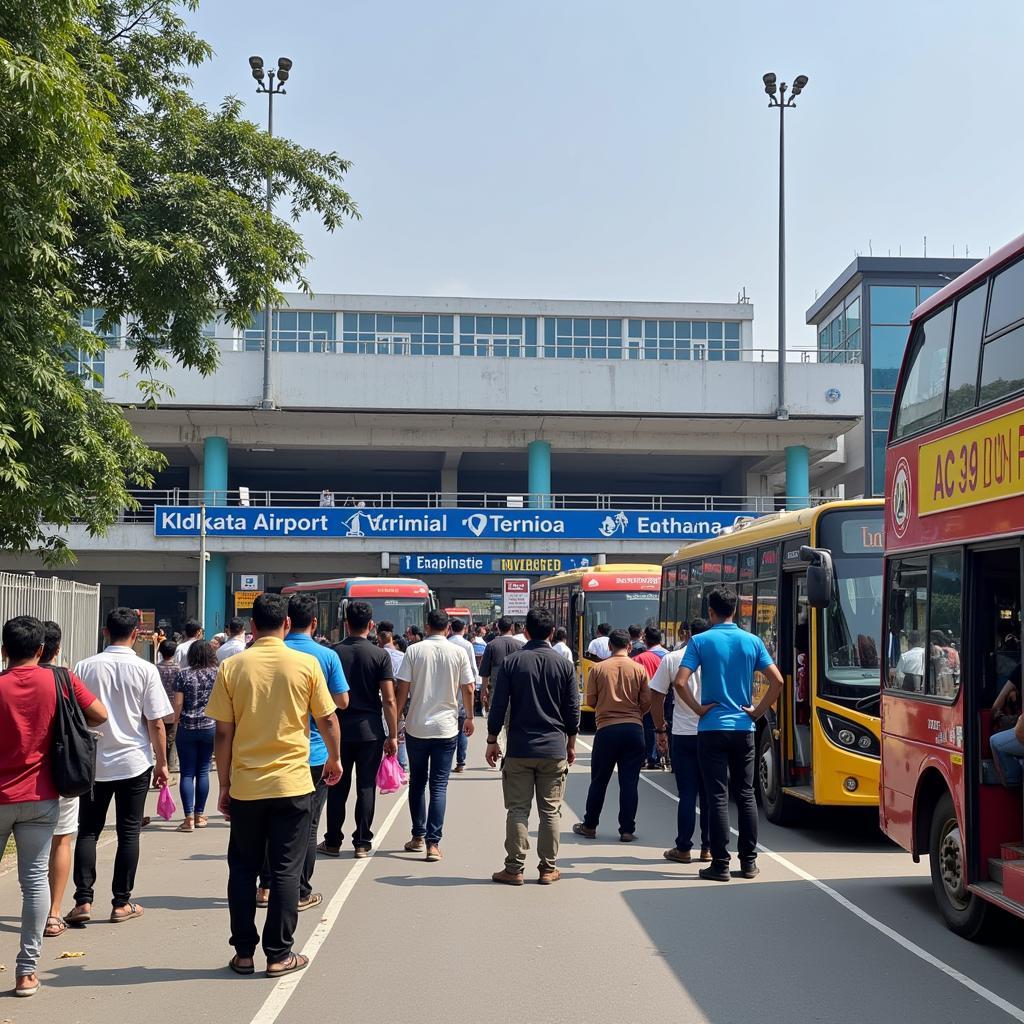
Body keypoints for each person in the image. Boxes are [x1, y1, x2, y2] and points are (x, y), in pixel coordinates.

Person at [207, 593, 341, 979]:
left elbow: (223, 733)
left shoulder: (233, 666)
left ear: (252, 627)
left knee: (243, 869)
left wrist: (225, 783)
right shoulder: (306, 664)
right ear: (286, 625)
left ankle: (244, 952)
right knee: (285, 869)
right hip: (294, 783)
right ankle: (279, 954)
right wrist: (334, 758)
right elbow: (328, 720)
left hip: (248, 786)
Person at [1, 617, 105, 989]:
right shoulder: (60, 680)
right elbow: (100, 715)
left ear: (3, 650)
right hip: (42, 796)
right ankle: (27, 972)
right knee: (33, 882)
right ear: (42, 650)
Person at [68, 607, 173, 925]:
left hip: (93, 763)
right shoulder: (145, 670)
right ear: (137, 632)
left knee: (88, 831)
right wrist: (163, 764)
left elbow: (75, 714)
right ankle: (121, 903)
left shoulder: (84, 668)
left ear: (105, 632)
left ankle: (83, 900)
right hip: (133, 762)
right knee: (129, 833)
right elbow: (156, 723)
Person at [675, 588, 783, 881]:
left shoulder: (700, 640)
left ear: (710, 612)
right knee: (746, 794)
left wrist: (699, 709)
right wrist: (757, 711)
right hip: (744, 728)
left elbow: (680, 682)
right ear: (735, 611)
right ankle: (748, 862)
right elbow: (777, 681)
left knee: (717, 796)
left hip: (711, 728)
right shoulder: (752, 641)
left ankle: (720, 864)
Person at [487, 606, 579, 885]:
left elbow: (498, 705)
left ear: (525, 632)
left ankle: (514, 869)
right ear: (552, 632)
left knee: (517, 810)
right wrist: (571, 742)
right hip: (553, 748)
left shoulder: (512, 663)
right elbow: (573, 708)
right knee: (550, 811)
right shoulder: (564, 665)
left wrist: (492, 740)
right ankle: (548, 868)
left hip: (519, 748)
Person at [282, 594, 349, 907]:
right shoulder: (326, 656)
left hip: (274, 752)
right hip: (315, 753)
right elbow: (341, 703)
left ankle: (267, 886)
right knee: (308, 825)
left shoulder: (265, 654)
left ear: (287, 621)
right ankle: (301, 891)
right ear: (315, 622)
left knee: (274, 824)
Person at [395, 609, 475, 862]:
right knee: (439, 785)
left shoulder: (414, 650)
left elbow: (402, 690)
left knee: (417, 782)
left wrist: (396, 719)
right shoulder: (459, 652)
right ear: (448, 628)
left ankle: (418, 836)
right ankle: (433, 843)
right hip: (446, 728)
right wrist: (470, 717)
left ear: (426, 627)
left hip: (417, 726)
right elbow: (469, 688)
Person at [321, 601, 397, 858]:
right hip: (370, 731)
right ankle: (362, 842)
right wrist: (394, 735)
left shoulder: (334, 652)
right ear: (371, 625)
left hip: (338, 731)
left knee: (336, 786)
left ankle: (332, 840)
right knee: (366, 786)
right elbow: (388, 699)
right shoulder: (380, 655)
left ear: (345, 624)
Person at [573, 628, 650, 843]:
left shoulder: (598, 669)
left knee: (599, 780)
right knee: (629, 782)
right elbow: (646, 702)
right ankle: (627, 829)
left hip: (606, 729)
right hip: (634, 729)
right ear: (629, 646)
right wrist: (635, 714)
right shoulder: (639, 669)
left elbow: (591, 702)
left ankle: (590, 825)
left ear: (609, 646)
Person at [650, 617, 712, 863]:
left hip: (683, 734)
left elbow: (656, 697)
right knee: (709, 795)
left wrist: (659, 730)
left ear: (686, 633)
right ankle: (707, 848)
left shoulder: (673, 658)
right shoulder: (715, 660)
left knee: (686, 792)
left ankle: (684, 847)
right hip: (711, 732)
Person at [171, 641, 220, 833]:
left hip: (187, 727)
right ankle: (200, 815)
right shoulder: (216, 674)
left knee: (187, 772)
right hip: (210, 726)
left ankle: (188, 818)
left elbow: (178, 703)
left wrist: (176, 720)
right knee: (203, 771)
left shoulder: (183, 674)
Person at [633, 626, 670, 770]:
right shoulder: (669, 655)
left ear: (645, 640)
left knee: (649, 728)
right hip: (668, 698)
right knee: (665, 727)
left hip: (648, 699)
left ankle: (651, 757)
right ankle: (666, 757)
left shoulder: (641, 657)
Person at [448, 618, 479, 770]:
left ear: (450, 628)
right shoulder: (467, 645)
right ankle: (461, 761)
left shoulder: (447, 643)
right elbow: (472, 669)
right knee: (463, 726)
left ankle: (446, 760)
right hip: (463, 691)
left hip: (448, 690)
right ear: (464, 629)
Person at [479, 618, 523, 711]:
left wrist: (483, 690)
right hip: (517, 690)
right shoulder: (521, 646)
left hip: (496, 688)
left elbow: (485, 671)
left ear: (498, 628)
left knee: (495, 719)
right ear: (512, 627)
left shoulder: (491, 645)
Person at [155, 638, 180, 772]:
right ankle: (170, 765)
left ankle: (161, 763)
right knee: (171, 738)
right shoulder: (178, 669)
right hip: (173, 708)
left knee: (158, 737)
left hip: (158, 708)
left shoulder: (155, 668)